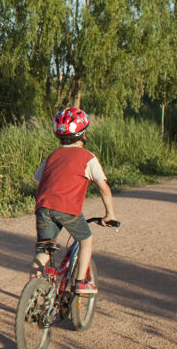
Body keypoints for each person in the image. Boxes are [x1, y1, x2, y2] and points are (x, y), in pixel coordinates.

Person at [31, 107, 118, 294]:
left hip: (43, 207)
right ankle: (80, 282)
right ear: (83, 134)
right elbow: (104, 189)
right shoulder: (88, 158)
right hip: (67, 209)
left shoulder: (52, 156)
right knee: (86, 239)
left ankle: (32, 293)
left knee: (44, 251)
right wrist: (109, 214)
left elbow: (39, 180)